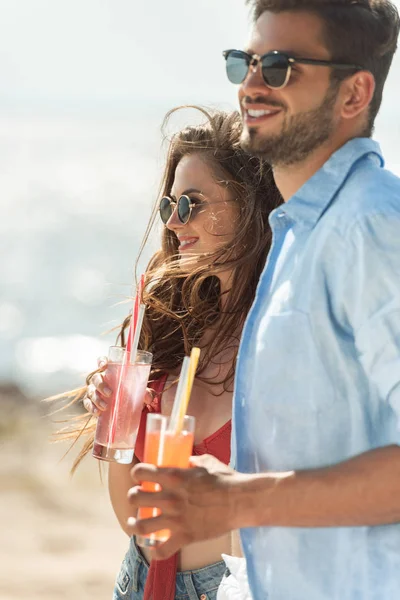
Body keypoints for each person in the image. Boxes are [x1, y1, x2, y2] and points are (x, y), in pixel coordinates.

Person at [127, 2, 400, 599]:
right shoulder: (299, 236)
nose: (251, 84)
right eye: (245, 62)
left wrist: (235, 500)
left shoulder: (371, 227)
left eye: (279, 66)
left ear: (354, 93)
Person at [73, 106, 281, 600]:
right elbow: (132, 516)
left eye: (191, 203)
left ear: (250, 203)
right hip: (141, 579)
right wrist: (116, 424)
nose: (175, 224)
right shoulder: (171, 329)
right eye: (169, 208)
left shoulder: (280, 341)